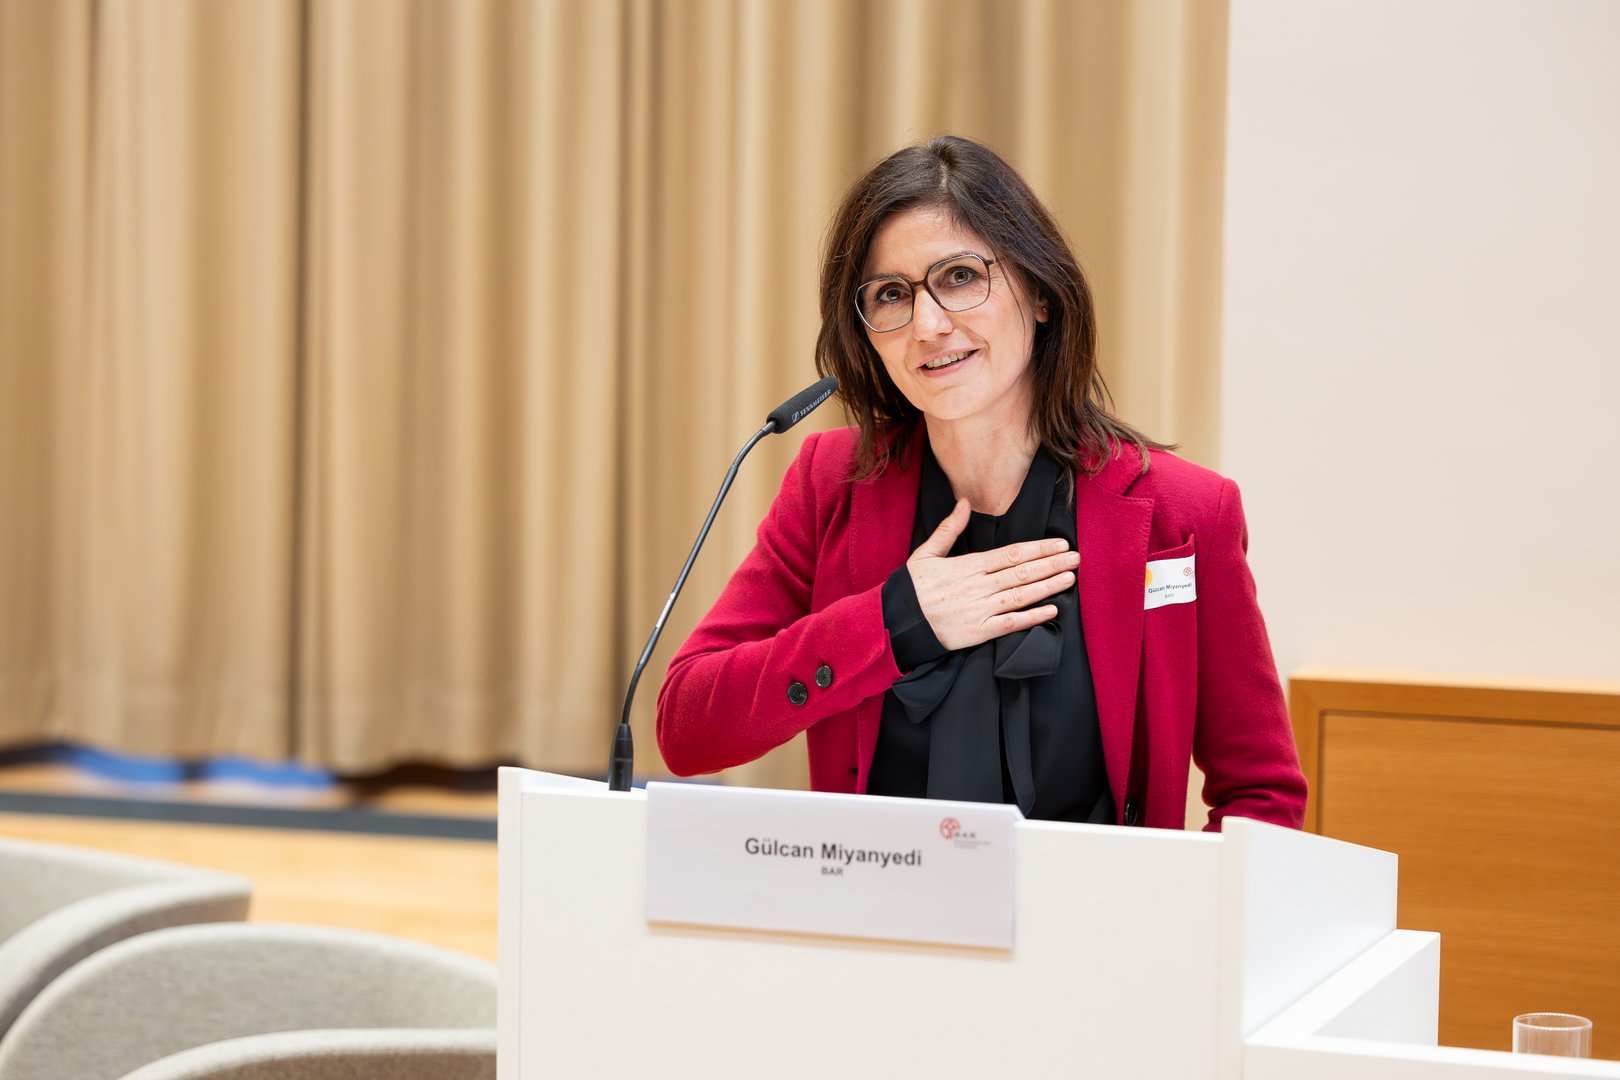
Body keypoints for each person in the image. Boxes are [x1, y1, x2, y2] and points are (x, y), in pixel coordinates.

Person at [656, 135, 1306, 831]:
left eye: (961, 276)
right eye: (891, 294)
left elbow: (1262, 796)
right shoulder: (831, 483)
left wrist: (1160, 900)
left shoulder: (1185, 513)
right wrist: (895, 621)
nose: (928, 325)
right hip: (880, 897)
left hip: (1093, 902)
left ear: (1040, 292)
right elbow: (687, 728)